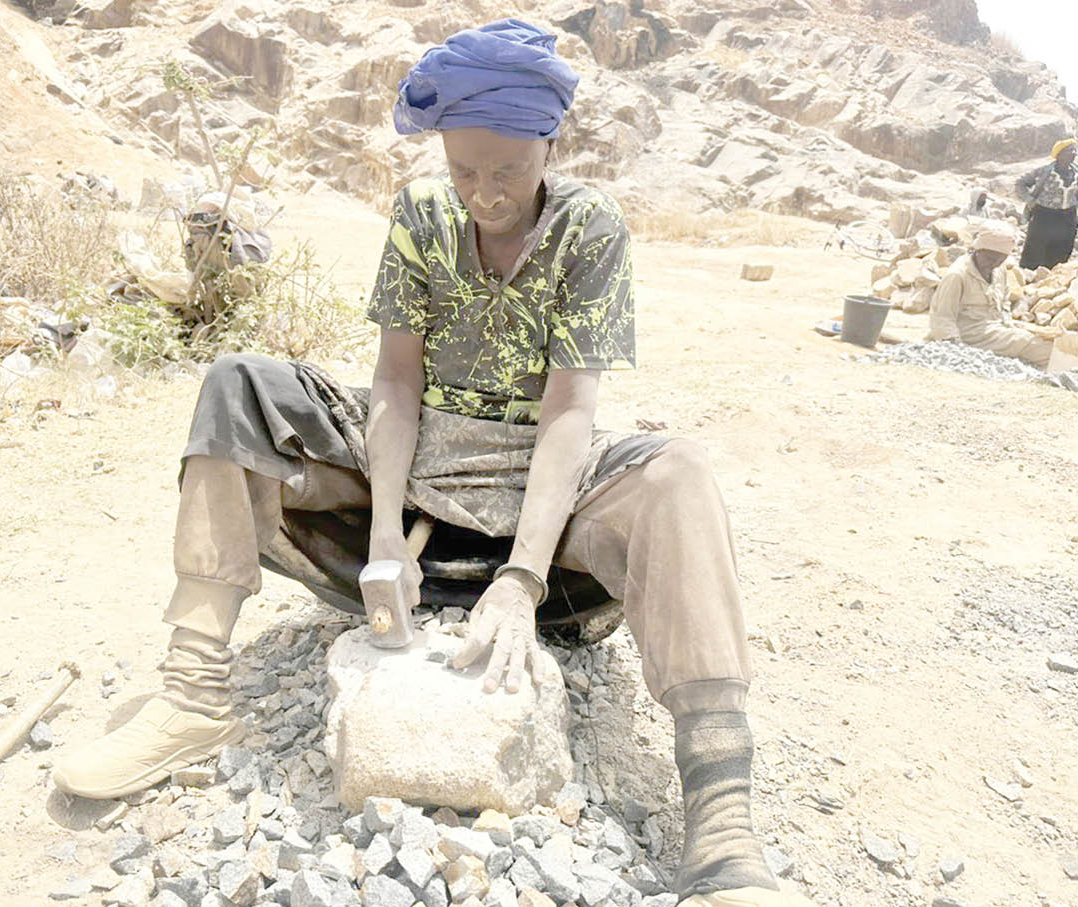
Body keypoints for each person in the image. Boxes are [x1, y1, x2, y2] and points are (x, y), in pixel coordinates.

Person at [52, 20, 812, 907]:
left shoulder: (589, 227)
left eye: (506, 171)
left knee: (677, 473)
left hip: (542, 526)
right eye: (463, 171)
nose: (484, 194)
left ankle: (721, 828)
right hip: (405, 501)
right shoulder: (423, 214)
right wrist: (379, 541)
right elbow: (396, 383)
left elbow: (570, 410)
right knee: (238, 387)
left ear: (549, 145)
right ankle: (190, 697)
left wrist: (524, 581)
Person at [927, 222, 1053, 367]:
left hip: (996, 328)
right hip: (971, 334)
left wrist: (1008, 322)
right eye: (990, 258)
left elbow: (1004, 301)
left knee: (1047, 338)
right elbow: (942, 317)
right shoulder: (957, 275)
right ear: (978, 250)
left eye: (1001, 259)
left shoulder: (999, 269)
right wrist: (956, 348)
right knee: (1033, 345)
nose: (994, 264)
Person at [1016, 138, 1077, 270]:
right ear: (1059, 154)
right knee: (1036, 247)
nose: (1074, 153)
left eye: (1074, 150)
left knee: (1063, 248)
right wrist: (1029, 200)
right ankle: (1028, 278)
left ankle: (1053, 279)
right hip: (1044, 215)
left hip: (1068, 217)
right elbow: (1020, 183)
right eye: (1069, 150)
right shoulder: (1044, 171)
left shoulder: (1076, 172)